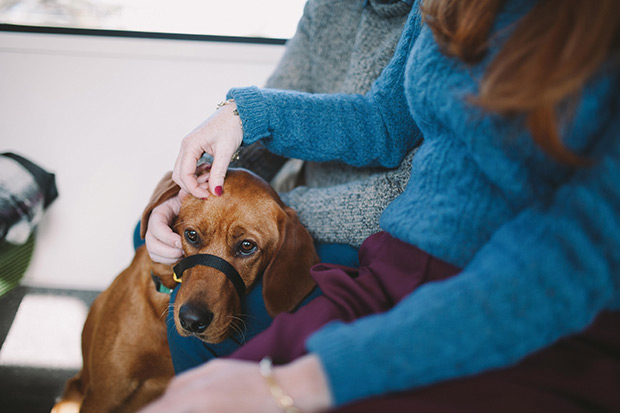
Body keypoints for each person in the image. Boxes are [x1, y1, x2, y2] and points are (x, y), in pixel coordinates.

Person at [143, 0, 620, 411]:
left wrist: (298, 385)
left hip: (493, 283)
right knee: (202, 394)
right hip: (394, 262)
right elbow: (385, 124)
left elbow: (571, 257)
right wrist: (244, 117)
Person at [143, 0, 415, 372]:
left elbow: (397, 171)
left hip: (370, 235)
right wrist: (203, 189)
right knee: (141, 237)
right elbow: (273, 131)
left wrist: (269, 213)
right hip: (282, 208)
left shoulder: (443, 16)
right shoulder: (328, 6)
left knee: (208, 332)